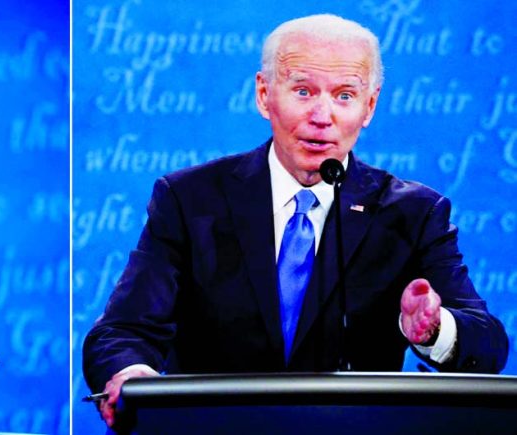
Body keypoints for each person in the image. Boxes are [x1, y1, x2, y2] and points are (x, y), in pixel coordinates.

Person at [82, 14, 509, 429]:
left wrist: (434, 329)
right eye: (303, 91)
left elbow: (488, 345)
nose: (323, 115)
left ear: (370, 106)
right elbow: (122, 330)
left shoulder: (412, 214)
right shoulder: (189, 200)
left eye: (344, 95)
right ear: (264, 95)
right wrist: (133, 375)